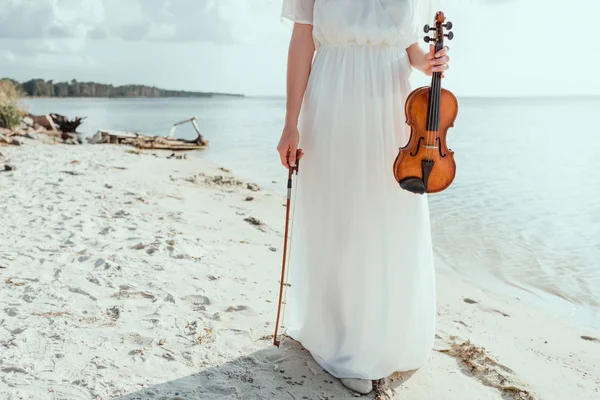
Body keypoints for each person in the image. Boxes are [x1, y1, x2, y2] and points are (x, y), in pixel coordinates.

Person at [276, 0, 450, 395]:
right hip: (334, 99)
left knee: (390, 219)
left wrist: (430, 62)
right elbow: (302, 40)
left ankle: (386, 334)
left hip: (395, 107)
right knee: (341, 218)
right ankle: (347, 343)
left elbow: (410, 48)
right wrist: (290, 124)